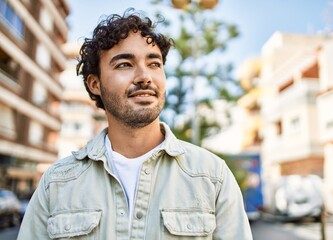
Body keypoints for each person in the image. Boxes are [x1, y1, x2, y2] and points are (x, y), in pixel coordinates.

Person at [18, 9, 253, 240]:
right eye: (124, 65)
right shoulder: (56, 184)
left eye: (154, 64)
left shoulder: (212, 177)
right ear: (94, 84)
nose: (144, 76)